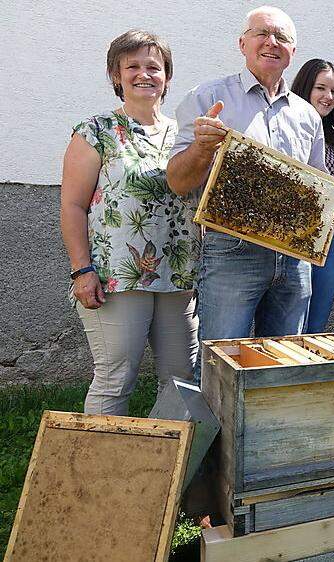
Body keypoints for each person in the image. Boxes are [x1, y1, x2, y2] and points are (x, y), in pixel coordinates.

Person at [167, 7, 334, 346]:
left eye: (282, 37)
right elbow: (177, 182)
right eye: (262, 34)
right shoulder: (208, 97)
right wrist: (200, 149)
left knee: (282, 362)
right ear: (242, 43)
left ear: (293, 52)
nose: (272, 43)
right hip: (232, 251)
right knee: (221, 361)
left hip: (294, 256)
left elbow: (315, 192)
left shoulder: (307, 115)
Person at [61, 30, 197, 414]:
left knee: (181, 381)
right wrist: (81, 270)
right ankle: (97, 472)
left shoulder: (184, 135)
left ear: (167, 76)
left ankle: (165, 470)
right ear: (116, 76)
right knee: (116, 377)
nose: (144, 74)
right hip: (116, 278)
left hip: (179, 276)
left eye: (154, 67)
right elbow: (72, 205)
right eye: (132, 66)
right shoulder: (96, 132)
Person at [291, 58, 334, 333]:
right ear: (305, 88)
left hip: (330, 234)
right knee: (290, 322)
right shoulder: (289, 128)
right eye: (321, 88)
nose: (328, 97)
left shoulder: (332, 136)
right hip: (294, 234)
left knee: (317, 322)